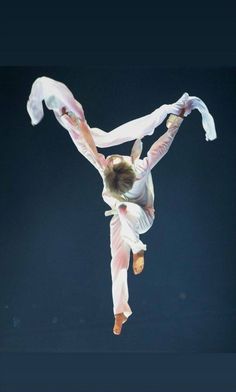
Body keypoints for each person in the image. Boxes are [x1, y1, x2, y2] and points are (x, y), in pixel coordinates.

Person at [60, 107, 186, 335]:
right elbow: (86, 147)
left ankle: (138, 249)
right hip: (122, 218)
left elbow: (161, 148)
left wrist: (175, 123)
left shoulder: (139, 169)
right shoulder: (106, 169)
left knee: (124, 208)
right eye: (110, 159)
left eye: (112, 158)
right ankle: (120, 311)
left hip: (143, 217)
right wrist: (71, 124)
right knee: (117, 262)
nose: (110, 157)